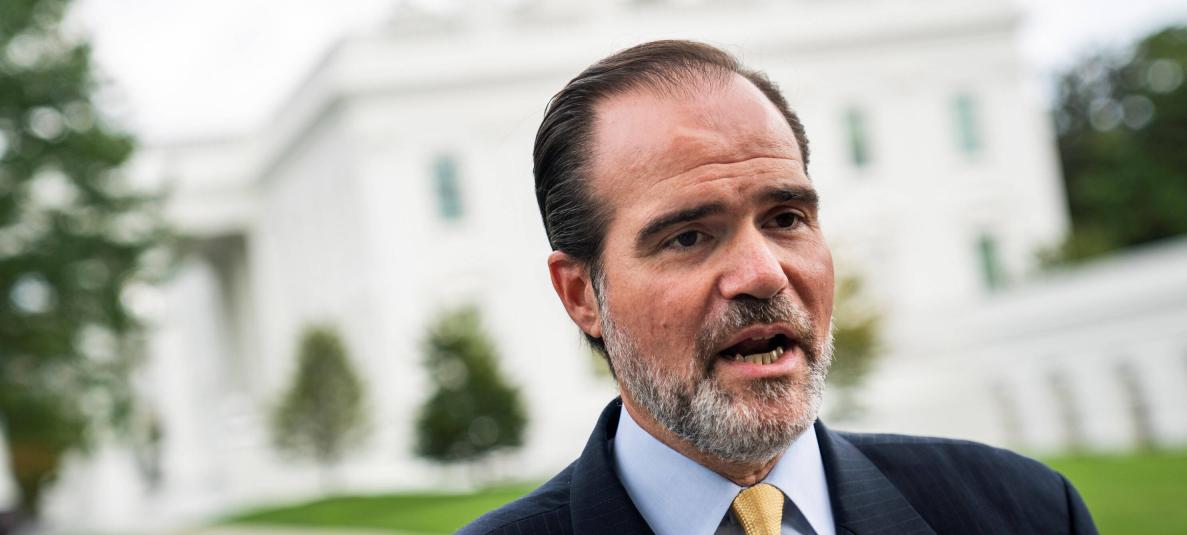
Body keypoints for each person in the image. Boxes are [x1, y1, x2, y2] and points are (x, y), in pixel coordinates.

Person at [460, 40, 1097, 535]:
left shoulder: (1028, 511)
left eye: (786, 219)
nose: (764, 274)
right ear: (581, 295)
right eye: (688, 236)